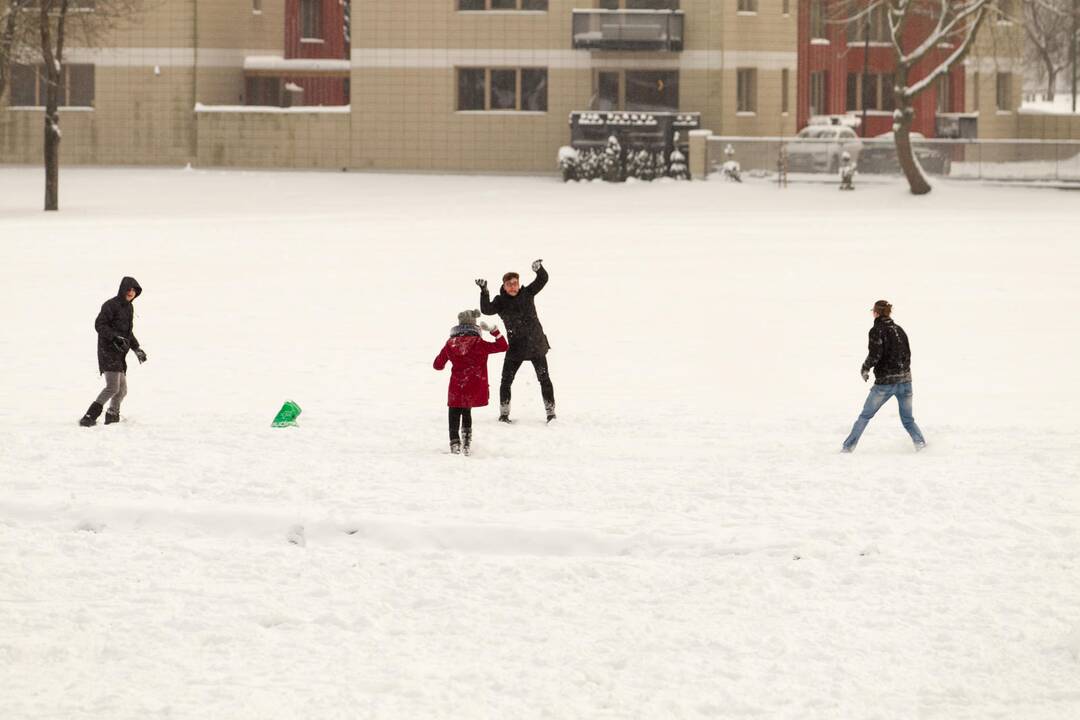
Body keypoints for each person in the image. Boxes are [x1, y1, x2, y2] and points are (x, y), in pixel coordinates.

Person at [476, 259, 556, 423]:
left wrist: (539, 269)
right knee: (506, 381)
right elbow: (486, 309)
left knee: (544, 379)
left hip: (536, 344)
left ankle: (551, 413)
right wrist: (484, 291)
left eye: (515, 283)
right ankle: (504, 415)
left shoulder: (527, 293)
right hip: (516, 347)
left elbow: (543, 280)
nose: (513, 287)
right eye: (509, 284)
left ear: (518, 284)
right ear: (504, 286)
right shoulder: (500, 302)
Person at [841, 300, 926, 453]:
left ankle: (848, 448)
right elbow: (907, 354)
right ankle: (920, 445)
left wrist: (865, 368)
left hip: (885, 383)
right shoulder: (899, 330)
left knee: (865, 416)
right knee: (908, 420)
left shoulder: (877, 330)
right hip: (906, 380)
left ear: (876, 313)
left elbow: (875, 354)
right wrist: (903, 371)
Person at [433, 309, 508, 455]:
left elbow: (437, 365)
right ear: (474, 326)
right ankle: (466, 442)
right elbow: (503, 346)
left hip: (456, 387)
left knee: (454, 411)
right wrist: (494, 331)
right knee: (466, 409)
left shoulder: (451, 343)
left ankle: (454, 443)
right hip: (474, 385)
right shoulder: (479, 343)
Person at [79, 277, 148, 427]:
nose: (131, 292)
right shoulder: (111, 305)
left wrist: (136, 348)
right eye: (128, 289)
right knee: (112, 387)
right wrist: (115, 338)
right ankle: (89, 416)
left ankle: (112, 415)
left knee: (122, 390)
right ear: (122, 289)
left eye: (134, 290)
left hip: (120, 353)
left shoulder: (129, 308)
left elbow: (128, 333)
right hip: (108, 351)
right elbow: (99, 325)